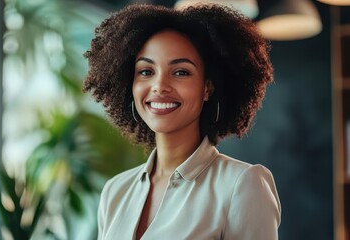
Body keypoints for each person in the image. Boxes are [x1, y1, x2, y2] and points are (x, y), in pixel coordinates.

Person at [83, 3, 281, 240]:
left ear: (207, 87)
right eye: (146, 71)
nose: (160, 86)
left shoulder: (243, 185)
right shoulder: (115, 191)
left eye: (180, 72)